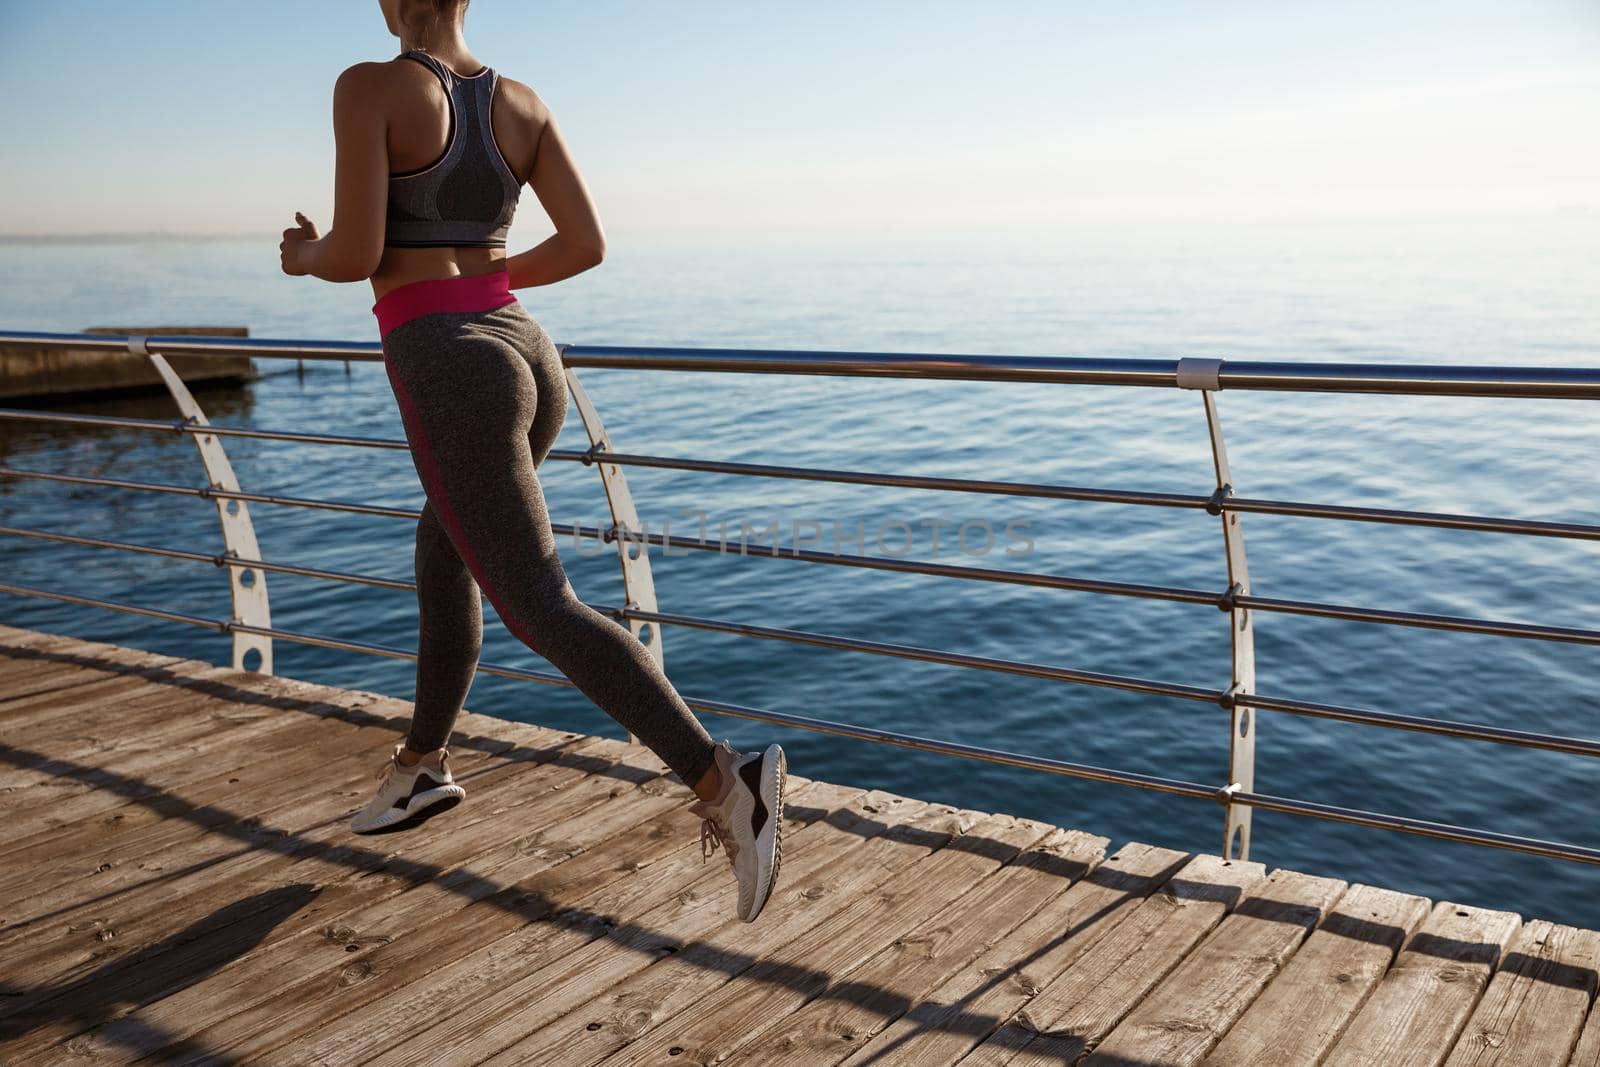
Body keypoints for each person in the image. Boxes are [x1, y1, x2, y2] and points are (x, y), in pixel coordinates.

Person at [278, 0, 785, 922]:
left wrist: (302, 253)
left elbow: (356, 252)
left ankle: (724, 779)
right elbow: (584, 244)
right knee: (447, 553)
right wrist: (488, 284)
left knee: (535, 602)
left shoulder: (370, 87)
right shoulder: (523, 103)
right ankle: (420, 768)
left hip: (448, 364)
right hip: (527, 354)